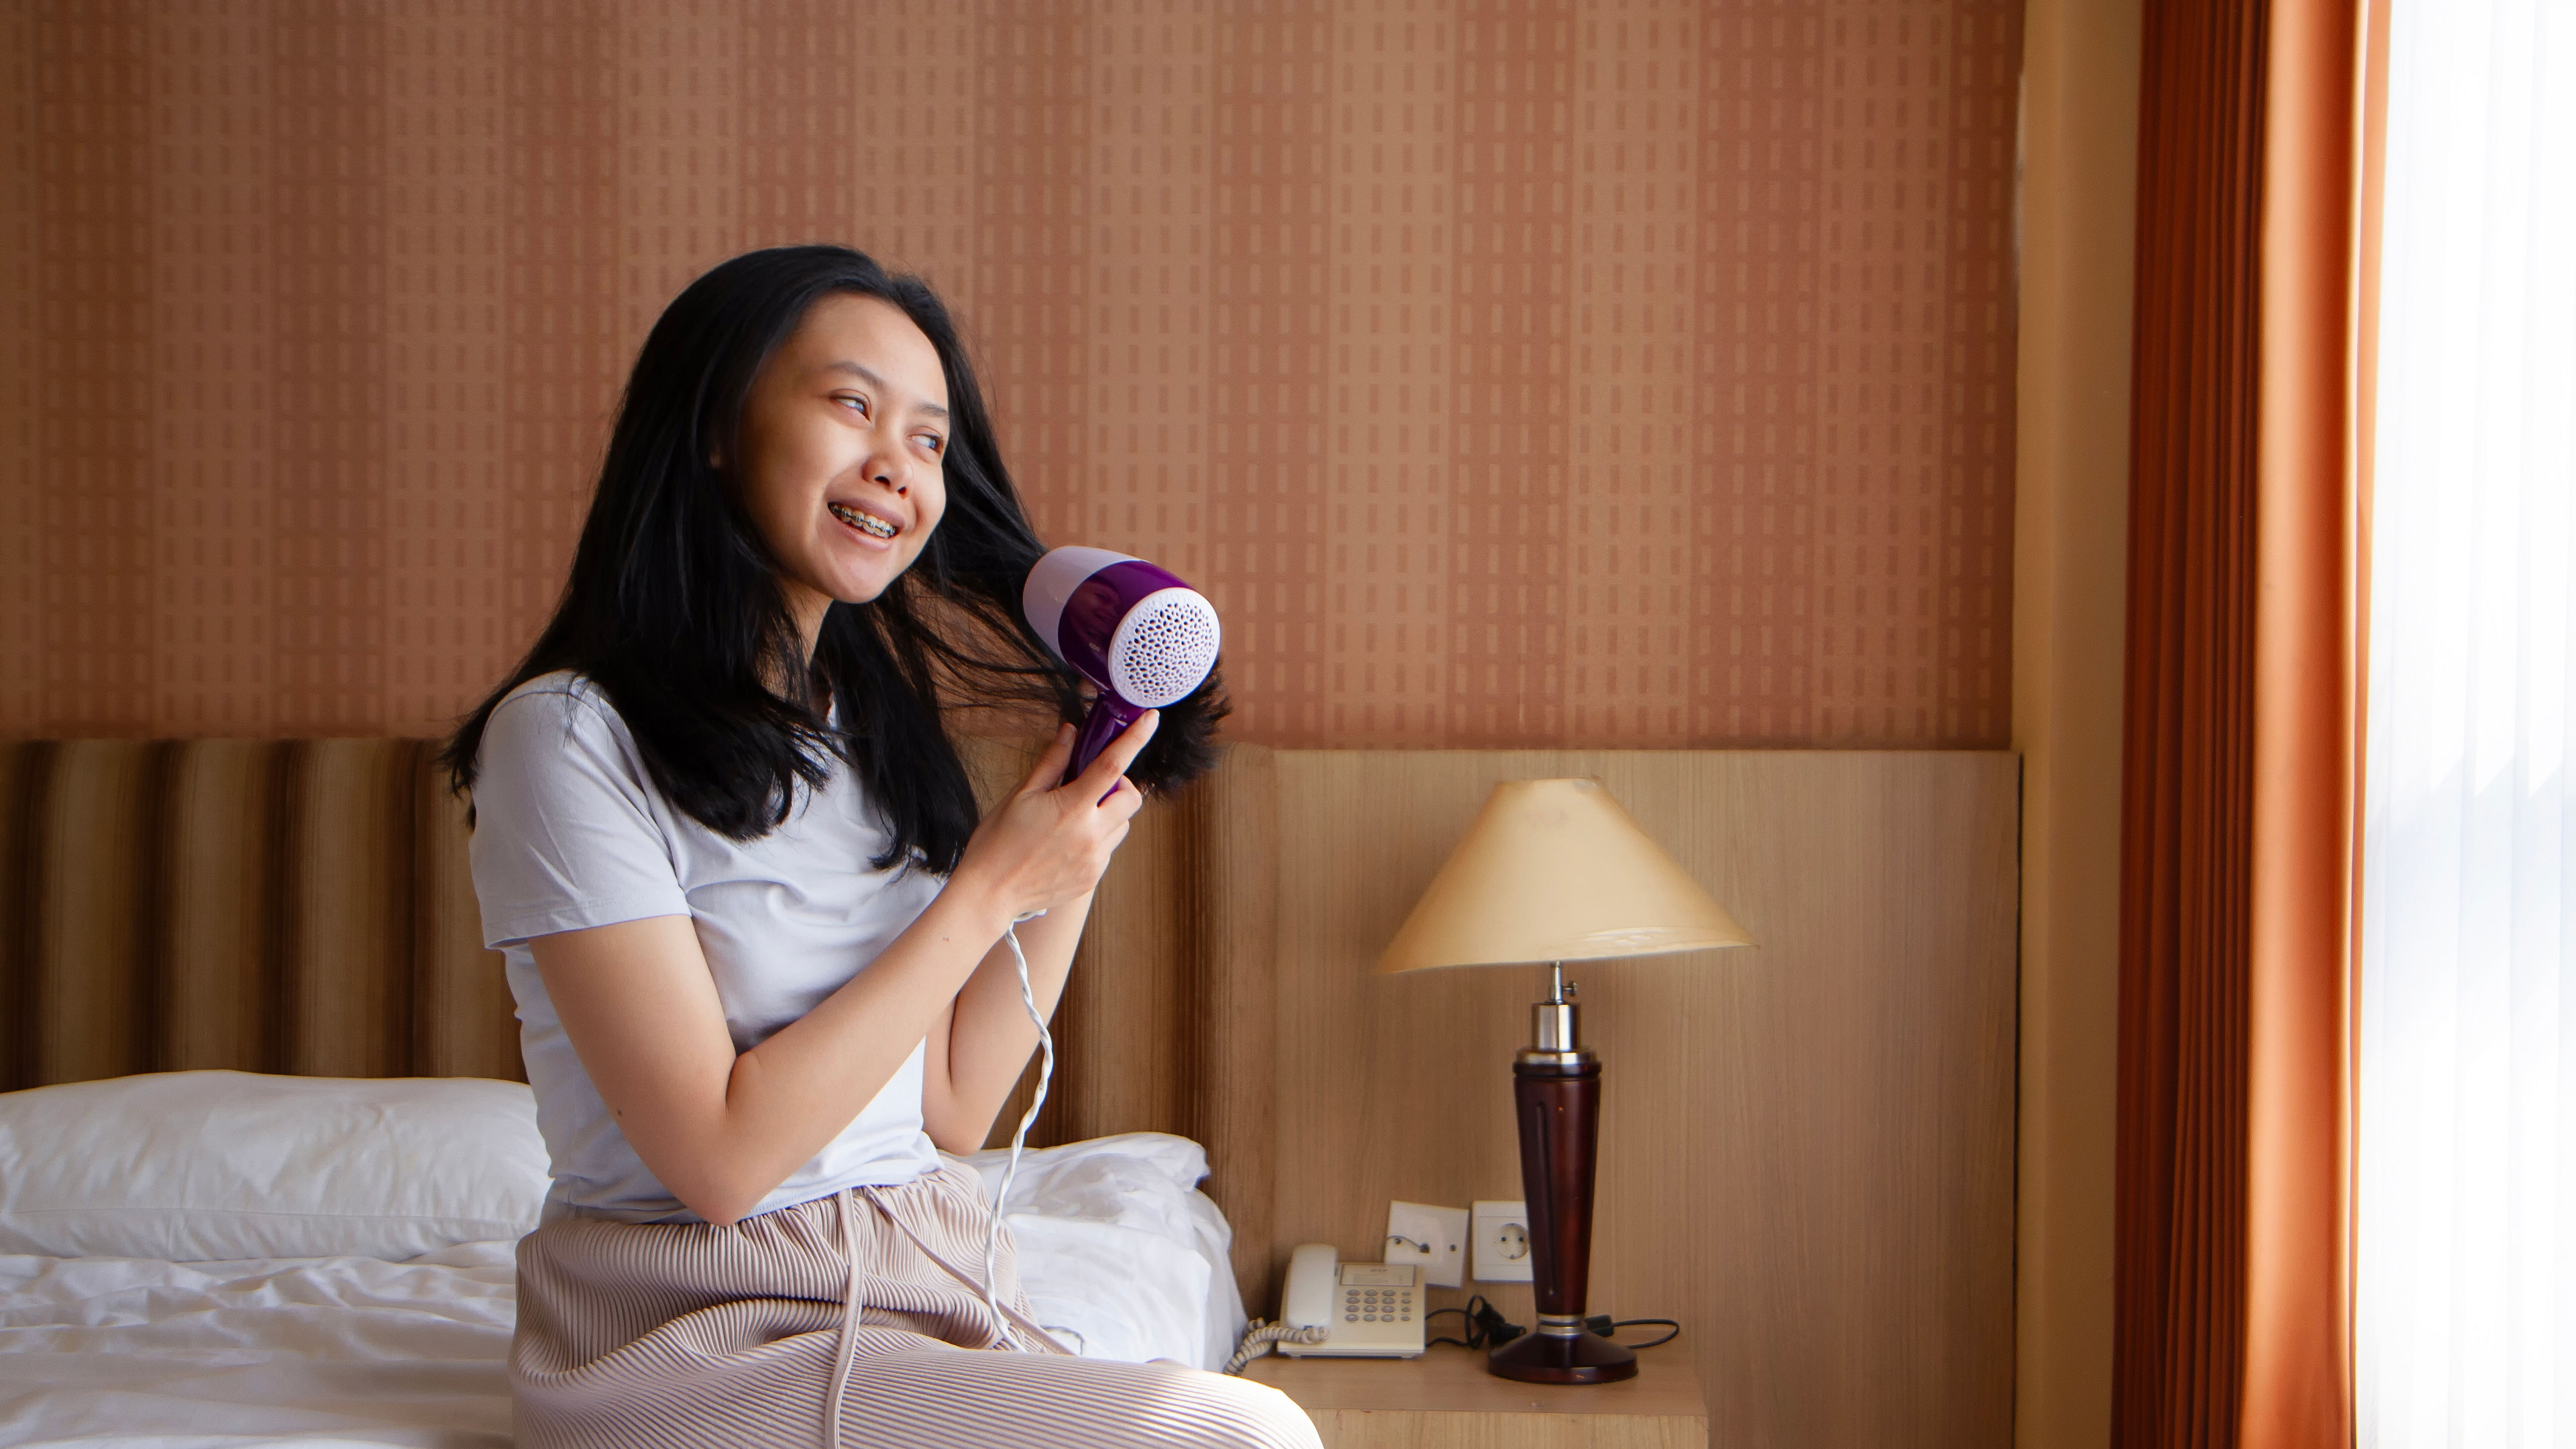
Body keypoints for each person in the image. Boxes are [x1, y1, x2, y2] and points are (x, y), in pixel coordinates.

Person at [442, 245, 1314, 1449]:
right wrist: (988, 889)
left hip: (912, 1284)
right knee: (1235, 1436)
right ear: (715, 425)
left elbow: (953, 1107)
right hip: (690, 1333)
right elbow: (721, 1161)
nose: (897, 466)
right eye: (853, 405)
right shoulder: (567, 739)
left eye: (929, 440)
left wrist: (1080, 834)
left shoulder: (866, 736)